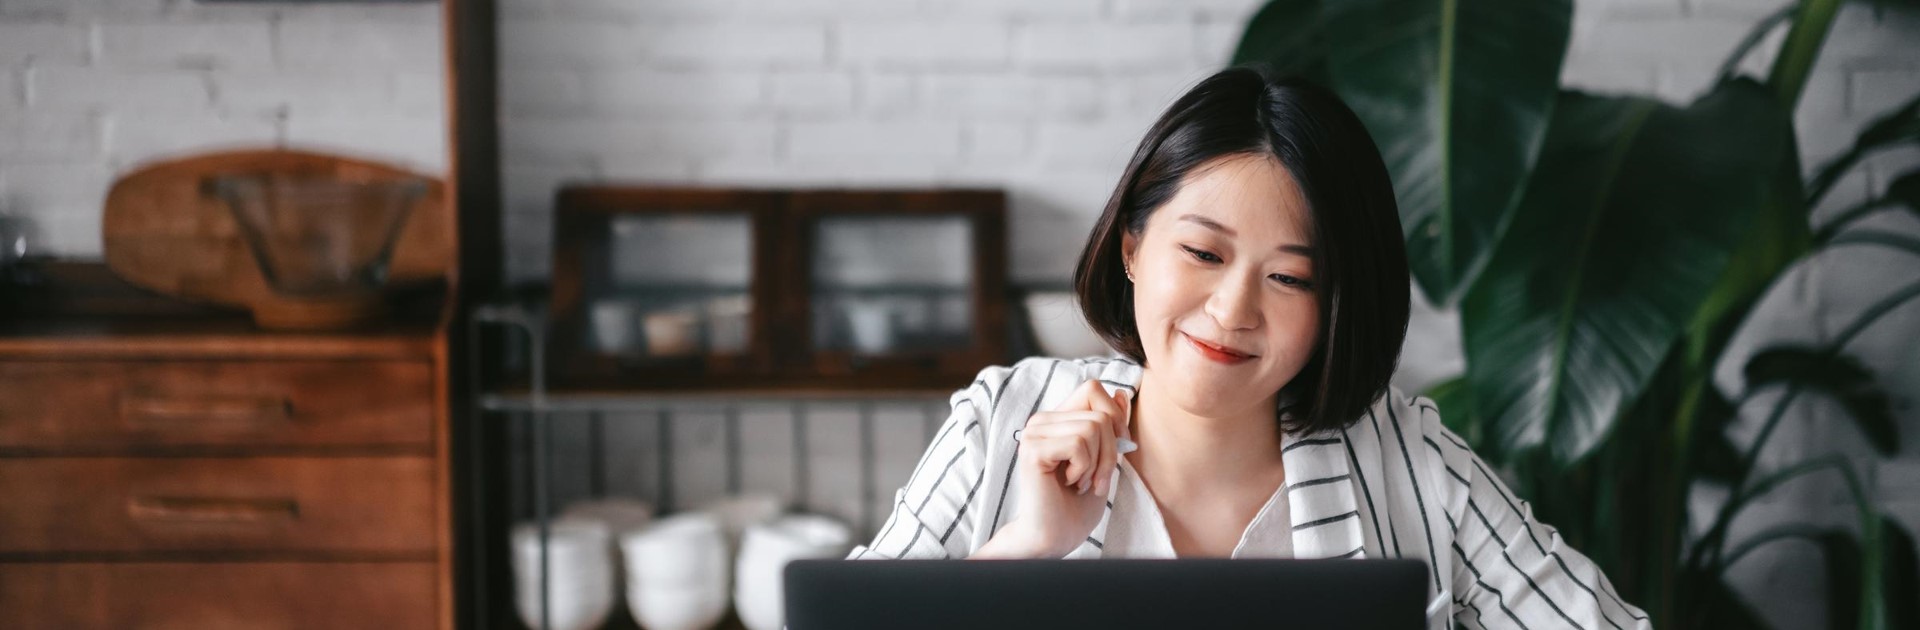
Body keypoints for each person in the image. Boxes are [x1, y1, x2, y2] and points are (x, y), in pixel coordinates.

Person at [846, 66, 1650, 629]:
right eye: (1203, 255)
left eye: (1292, 279)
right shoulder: (1006, 420)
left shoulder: (1407, 458)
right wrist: (1026, 549)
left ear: (1336, 302)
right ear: (1132, 248)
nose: (1233, 311)